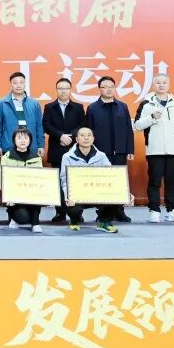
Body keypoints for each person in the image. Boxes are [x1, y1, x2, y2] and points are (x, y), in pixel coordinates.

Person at [133, 74, 174, 223]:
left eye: (164, 82)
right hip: (154, 150)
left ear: (169, 84)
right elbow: (137, 125)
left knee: (171, 182)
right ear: (153, 85)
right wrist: (152, 117)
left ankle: (172, 211)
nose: (161, 85)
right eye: (158, 83)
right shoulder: (146, 104)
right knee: (155, 182)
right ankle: (154, 211)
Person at [85, 76, 135, 223]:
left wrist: (130, 149)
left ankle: (119, 211)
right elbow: (89, 131)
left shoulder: (122, 106)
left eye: (111, 86)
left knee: (119, 182)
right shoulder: (93, 108)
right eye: (105, 87)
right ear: (99, 89)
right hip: (101, 153)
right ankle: (102, 213)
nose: (108, 89)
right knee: (103, 183)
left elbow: (128, 129)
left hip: (119, 151)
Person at [42, 78, 86, 223]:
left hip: (75, 149)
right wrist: (60, 136)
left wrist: (71, 136)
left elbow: (82, 125)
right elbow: (46, 125)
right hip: (57, 147)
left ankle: (77, 213)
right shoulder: (49, 107)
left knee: (75, 181)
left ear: (70, 90)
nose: (63, 91)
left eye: (66, 88)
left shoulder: (78, 107)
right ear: (56, 90)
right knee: (58, 183)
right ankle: (60, 213)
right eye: (60, 88)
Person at [60, 127, 117, 233]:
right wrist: (68, 196)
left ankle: (103, 221)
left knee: (118, 197)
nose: (86, 138)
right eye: (82, 135)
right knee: (68, 201)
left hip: (97, 191)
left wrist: (125, 192)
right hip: (77, 194)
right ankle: (74, 220)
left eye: (89, 135)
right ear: (76, 139)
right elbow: (64, 179)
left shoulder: (101, 156)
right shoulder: (67, 157)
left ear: (93, 138)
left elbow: (111, 175)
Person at [0, 127, 45, 232]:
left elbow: (41, 178)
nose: (23, 140)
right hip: (15, 195)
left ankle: (35, 223)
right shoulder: (6, 157)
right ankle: (14, 217)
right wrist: (8, 195)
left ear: (30, 140)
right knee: (23, 218)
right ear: (14, 140)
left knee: (37, 195)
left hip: (31, 192)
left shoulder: (36, 157)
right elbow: (3, 179)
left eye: (25, 138)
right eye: (19, 138)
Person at [0, 72, 44, 159]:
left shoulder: (34, 103)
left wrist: (41, 145)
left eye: (21, 82)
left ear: (25, 84)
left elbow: (39, 126)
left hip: (31, 147)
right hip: (9, 146)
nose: (18, 85)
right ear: (11, 84)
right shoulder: (2, 103)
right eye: (15, 83)